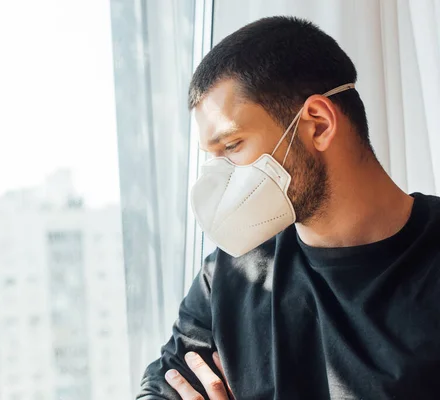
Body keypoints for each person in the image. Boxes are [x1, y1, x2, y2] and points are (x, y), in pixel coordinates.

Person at [136, 16, 440, 400]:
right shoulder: (231, 274)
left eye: (232, 146)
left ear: (317, 124)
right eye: (213, 156)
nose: (220, 176)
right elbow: (163, 386)